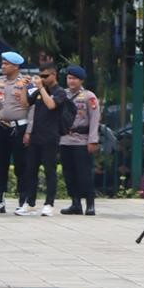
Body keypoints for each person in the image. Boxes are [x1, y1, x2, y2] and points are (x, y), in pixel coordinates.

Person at [20, 63, 70, 216]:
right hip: (36, 135)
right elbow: (25, 104)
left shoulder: (59, 92)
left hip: (50, 136)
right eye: (40, 76)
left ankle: (49, 203)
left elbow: (51, 105)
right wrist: (24, 86)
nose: (42, 79)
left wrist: (41, 87)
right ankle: (30, 202)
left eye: (45, 76)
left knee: (50, 171)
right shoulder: (39, 91)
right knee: (31, 170)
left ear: (54, 75)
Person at [0, 51, 31, 213]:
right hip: (1, 127)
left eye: (6, 64)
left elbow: (32, 107)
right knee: (0, 164)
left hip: (19, 128)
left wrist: (29, 131)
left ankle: (23, 200)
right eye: (2, 63)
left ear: (15, 66)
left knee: (21, 165)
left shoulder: (26, 82)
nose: (3, 66)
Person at [58, 65, 100, 215]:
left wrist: (93, 140)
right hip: (65, 139)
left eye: (74, 78)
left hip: (81, 139)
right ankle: (75, 203)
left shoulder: (89, 96)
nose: (71, 81)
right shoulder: (62, 94)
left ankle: (90, 203)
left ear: (81, 80)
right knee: (69, 172)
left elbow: (95, 119)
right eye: (69, 78)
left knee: (84, 173)